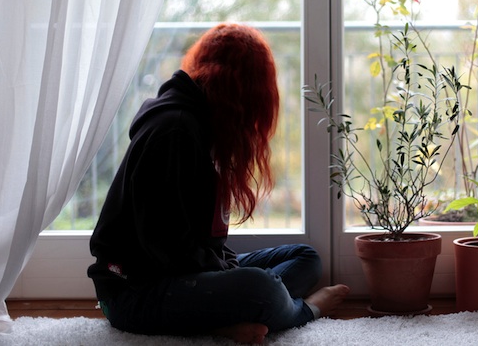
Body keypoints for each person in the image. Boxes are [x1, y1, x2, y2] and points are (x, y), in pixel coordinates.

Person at [88, 23, 349, 344]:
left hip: (181, 275)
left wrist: (226, 270)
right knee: (262, 289)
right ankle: (304, 311)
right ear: (247, 90)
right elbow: (167, 247)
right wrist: (230, 274)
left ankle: (225, 318)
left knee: (305, 259)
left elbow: (199, 244)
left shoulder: (203, 126)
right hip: (134, 291)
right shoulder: (175, 130)